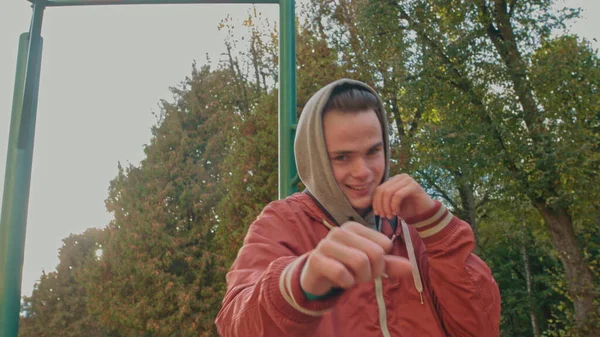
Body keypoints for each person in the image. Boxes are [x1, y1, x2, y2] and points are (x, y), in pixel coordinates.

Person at [215, 79, 501, 337]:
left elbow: (479, 328)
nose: (363, 172)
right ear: (315, 159)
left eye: (373, 151)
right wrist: (301, 283)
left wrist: (436, 227)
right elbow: (236, 324)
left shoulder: (415, 228)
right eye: (342, 157)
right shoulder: (282, 222)